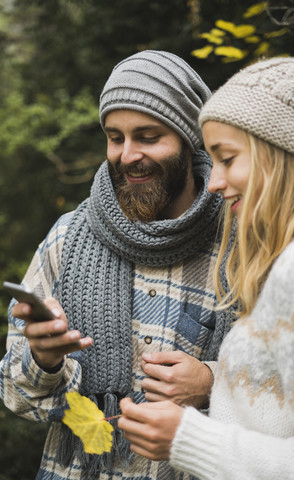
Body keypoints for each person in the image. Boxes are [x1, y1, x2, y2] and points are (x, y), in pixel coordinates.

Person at [0, 50, 235, 480]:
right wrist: (44, 358)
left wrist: (213, 383)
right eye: (115, 137)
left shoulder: (240, 242)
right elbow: (17, 399)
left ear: (188, 138)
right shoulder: (67, 237)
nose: (127, 155)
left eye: (147, 136)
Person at [118, 56, 294, 479]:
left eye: (227, 159)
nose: (213, 181)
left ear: (281, 155)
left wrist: (188, 438)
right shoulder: (291, 258)